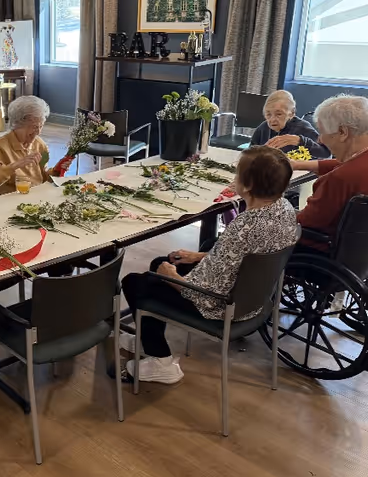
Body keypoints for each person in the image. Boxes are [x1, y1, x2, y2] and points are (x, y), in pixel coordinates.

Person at [120, 146, 299, 384]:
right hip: (257, 298)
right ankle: (147, 338)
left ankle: (161, 361)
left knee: (135, 282)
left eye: (237, 174)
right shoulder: (284, 209)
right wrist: (198, 256)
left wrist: (171, 276)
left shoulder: (243, 226)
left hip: (220, 308)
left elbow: (207, 295)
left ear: (247, 185)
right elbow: (246, 258)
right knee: (160, 263)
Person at [291, 94, 368, 249]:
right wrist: (298, 165)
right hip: (362, 247)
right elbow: (350, 163)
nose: (320, 140)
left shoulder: (339, 179)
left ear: (343, 132)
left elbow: (305, 222)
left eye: (322, 132)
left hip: (319, 248)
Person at [0, 96, 52, 195]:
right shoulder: (0, 147)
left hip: (35, 198)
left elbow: (44, 178)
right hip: (9, 202)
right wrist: (16, 165)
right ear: (18, 124)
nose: (38, 132)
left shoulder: (39, 144)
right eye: (34, 127)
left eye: (41, 126)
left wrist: (57, 170)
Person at [250, 90, 330, 158]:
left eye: (279, 114)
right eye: (268, 114)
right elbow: (250, 151)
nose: (272, 119)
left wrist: (301, 141)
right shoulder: (263, 128)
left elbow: (326, 154)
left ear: (292, 113)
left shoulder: (303, 128)